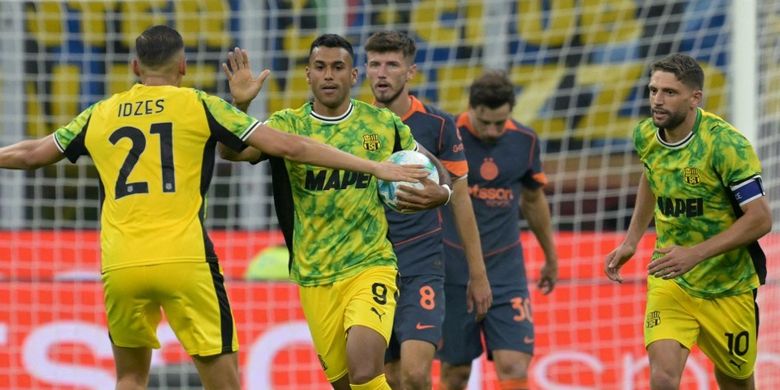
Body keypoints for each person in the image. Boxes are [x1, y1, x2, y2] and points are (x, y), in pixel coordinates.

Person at [0, 26, 425, 390]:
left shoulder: (99, 113)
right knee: (223, 381)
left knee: (129, 378)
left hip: (121, 262)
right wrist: (374, 166)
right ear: (183, 66)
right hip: (186, 259)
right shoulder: (199, 104)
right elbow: (290, 146)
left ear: (134, 67)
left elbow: (32, 153)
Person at [220, 33, 446, 390]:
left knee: (365, 368)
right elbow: (231, 153)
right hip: (314, 275)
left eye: (338, 67)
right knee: (347, 384)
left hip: (370, 265)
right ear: (307, 74)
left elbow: (432, 166)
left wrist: (443, 193)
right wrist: (240, 106)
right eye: (320, 67)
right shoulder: (287, 125)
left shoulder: (382, 124)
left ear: (354, 75)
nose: (329, 75)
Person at [605, 53, 771, 390]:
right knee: (663, 377)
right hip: (671, 278)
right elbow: (652, 176)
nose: (657, 101)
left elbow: (760, 219)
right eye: (653, 90)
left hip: (728, 285)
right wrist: (632, 240)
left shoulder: (725, 145)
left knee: (737, 380)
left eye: (668, 92)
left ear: (695, 98)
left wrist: (695, 254)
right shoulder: (646, 135)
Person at [363, 31, 493, 390]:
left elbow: (461, 197)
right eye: (375, 64)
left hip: (422, 260)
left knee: (416, 375)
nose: (382, 73)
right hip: (369, 260)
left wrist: (477, 274)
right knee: (386, 376)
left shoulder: (437, 125)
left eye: (392, 64)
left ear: (411, 72)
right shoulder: (354, 124)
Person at [438, 71, 559, 390]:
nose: (492, 131)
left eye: (500, 122)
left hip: (505, 270)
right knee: (455, 372)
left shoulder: (525, 140)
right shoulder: (446, 135)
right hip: (454, 270)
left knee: (514, 363)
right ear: (471, 108)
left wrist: (551, 256)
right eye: (485, 122)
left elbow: (533, 200)